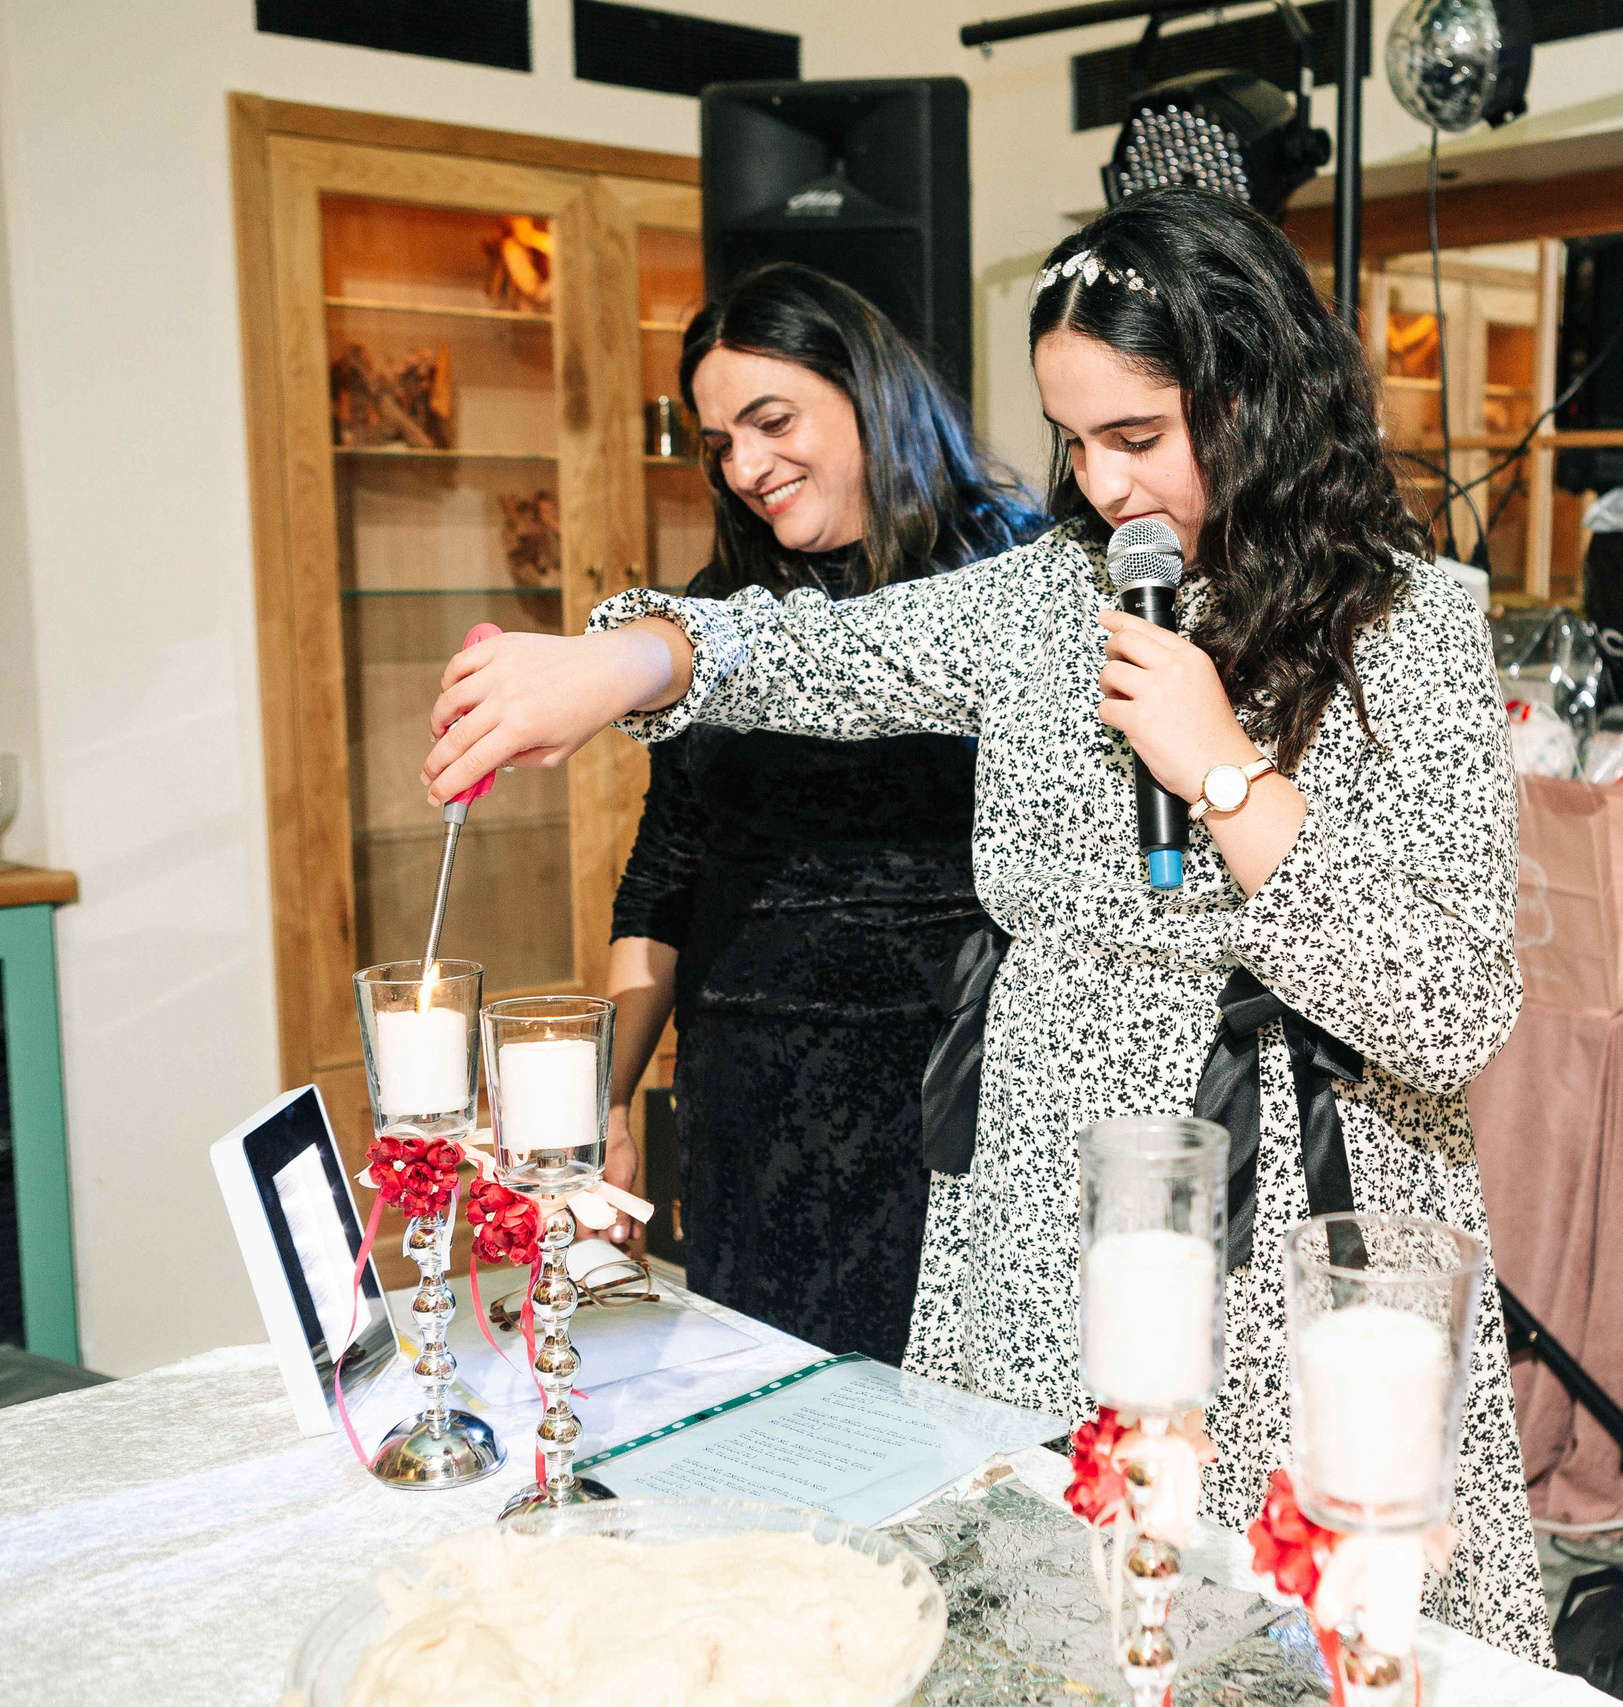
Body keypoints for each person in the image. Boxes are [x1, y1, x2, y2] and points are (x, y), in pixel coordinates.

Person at [425, 190, 1551, 1661]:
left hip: (1285, 1198)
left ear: (1258, 400)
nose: (1100, 488)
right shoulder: (1041, 597)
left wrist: (1217, 764)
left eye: (1137, 437)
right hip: (1039, 1191)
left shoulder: (1413, 625)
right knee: (1054, 1625)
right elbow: (817, 650)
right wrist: (623, 658)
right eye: (1071, 440)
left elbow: (1453, 1006)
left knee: (1281, 1630)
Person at [598, 262, 1043, 1364]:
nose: (745, 466)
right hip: (751, 1102)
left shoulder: (1020, 573)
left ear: (869, 395)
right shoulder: (712, 615)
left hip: (956, 1092)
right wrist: (601, 1103)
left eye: (771, 420)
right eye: (719, 442)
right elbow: (667, 865)